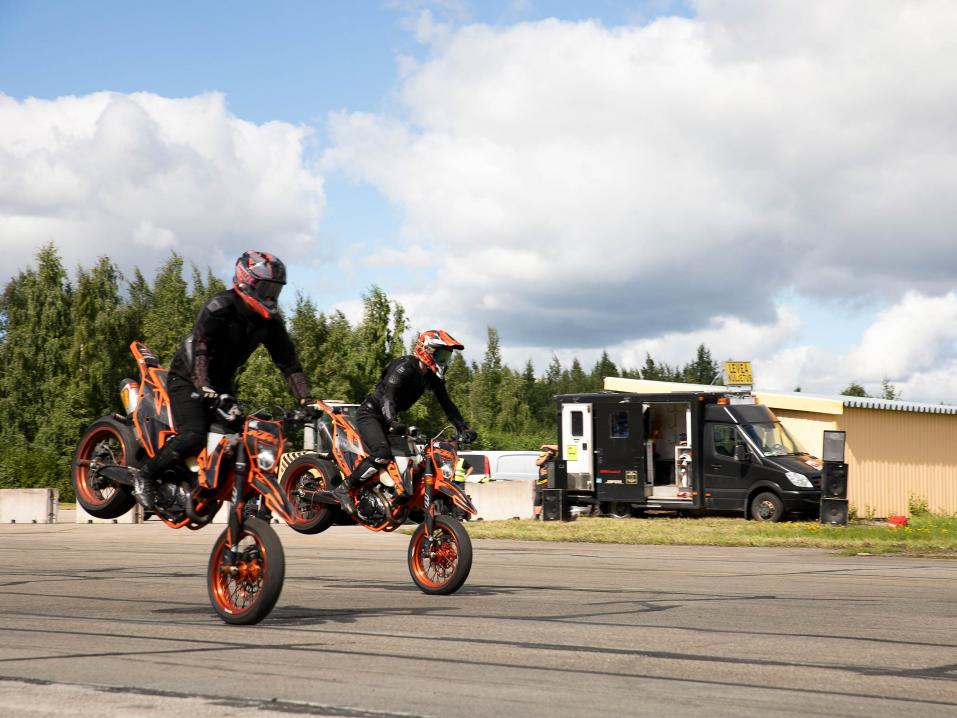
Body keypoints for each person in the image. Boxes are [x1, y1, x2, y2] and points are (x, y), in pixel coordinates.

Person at [132, 250, 312, 510]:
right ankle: (146, 475)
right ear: (246, 280)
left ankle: (212, 489)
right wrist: (204, 385)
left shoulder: (270, 323)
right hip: (188, 376)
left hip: (221, 384)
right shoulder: (220, 307)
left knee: (240, 438)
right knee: (194, 434)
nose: (271, 296)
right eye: (266, 288)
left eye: (276, 289)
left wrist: (305, 400)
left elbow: (289, 363)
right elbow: (202, 346)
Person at [332, 329, 476, 515]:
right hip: (372, 414)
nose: (445, 360)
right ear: (427, 350)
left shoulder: (431, 378)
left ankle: (394, 497)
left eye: (447, 356)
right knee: (382, 452)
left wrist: (463, 428)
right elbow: (388, 396)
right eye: (441, 354)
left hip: (391, 418)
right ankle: (344, 488)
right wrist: (391, 421)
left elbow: (447, 404)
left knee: (416, 457)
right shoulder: (405, 366)